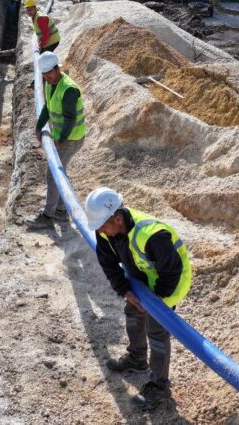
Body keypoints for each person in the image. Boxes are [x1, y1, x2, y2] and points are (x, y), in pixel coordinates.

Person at [84, 187, 192, 411]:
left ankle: (160, 388)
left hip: (170, 282)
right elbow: (108, 264)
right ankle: (137, 358)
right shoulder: (105, 231)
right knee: (132, 310)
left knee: (157, 330)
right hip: (143, 279)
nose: (100, 230)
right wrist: (125, 290)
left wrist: (155, 301)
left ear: (117, 218)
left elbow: (171, 271)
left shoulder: (152, 235)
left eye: (103, 225)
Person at [27, 51, 85, 229]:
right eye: (44, 74)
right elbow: (47, 107)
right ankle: (61, 209)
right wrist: (39, 127)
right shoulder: (50, 84)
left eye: (49, 73)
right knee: (59, 171)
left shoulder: (69, 90)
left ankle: (48, 215)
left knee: (53, 174)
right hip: (63, 136)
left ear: (57, 69)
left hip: (72, 138)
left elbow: (70, 119)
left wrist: (60, 140)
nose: (47, 77)